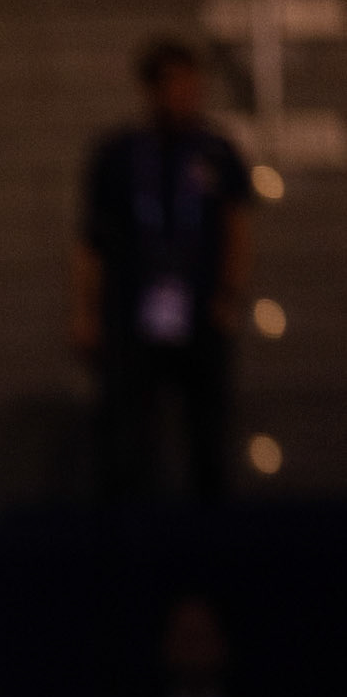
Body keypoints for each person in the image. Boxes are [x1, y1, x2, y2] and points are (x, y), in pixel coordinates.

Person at [72, 40, 253, 504]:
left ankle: (211, 535)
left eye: (192, 84)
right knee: (128, 427)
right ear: (151, 90)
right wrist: (86, 311)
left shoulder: (216, 152)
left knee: (206, 427)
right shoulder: (119, 154)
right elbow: (91, 239)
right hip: (132, 306)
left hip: (201, 306)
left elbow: (237, 227)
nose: (185, 95)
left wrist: (228, 296)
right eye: (174, 84)